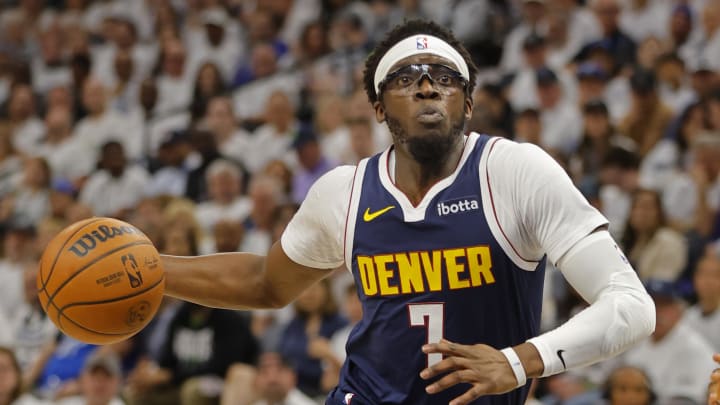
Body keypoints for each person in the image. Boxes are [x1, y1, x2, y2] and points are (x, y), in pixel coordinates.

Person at [161, 20, 655, 405]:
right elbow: (265, 283)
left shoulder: (514, 172)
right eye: (405, 77)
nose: (425, 86)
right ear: (379, 107)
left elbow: (631, 304)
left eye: (444, 77)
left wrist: (521, 360)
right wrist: (152, 270)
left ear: (467, 103)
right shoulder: (344, 192)